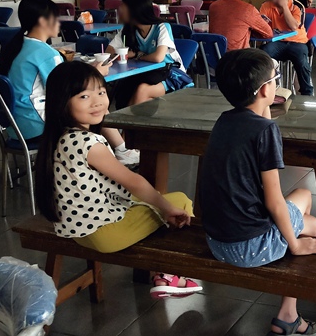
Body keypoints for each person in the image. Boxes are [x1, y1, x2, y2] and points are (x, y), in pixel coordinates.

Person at [199, 48, 316, 336]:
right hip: (245, 248)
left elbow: (256, 121)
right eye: (275, 79)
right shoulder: (265, 131)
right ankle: (288, 316)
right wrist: (295, 245)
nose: (276, 83)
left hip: (216, 241)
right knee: (311, 224)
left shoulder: (224, 120)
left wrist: (264, 104)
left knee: (301, 198)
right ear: (264, 90)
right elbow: (273, 201)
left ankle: (289, 302)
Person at [35, 60, 201, 299]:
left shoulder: (60, 137)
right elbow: (133, 182)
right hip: (104, 234)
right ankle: (169, 274)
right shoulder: (88, 143)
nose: (97, 101)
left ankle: (164, 269)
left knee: (155, 200)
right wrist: (165, 207)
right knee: (179, 202)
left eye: (101, 92)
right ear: (62, 102)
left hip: (76, 229)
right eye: (84, 96)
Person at [0, 0, 139, 166]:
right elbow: (67, 89)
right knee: (96, 105)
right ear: (43, 21)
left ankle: (118, 151)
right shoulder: (46, 53)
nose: (59, 23)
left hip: (15, 125)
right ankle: (117, 153)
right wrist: (96, 73)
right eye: (56, 18)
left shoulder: (17, 46)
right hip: (36, 125)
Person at [107, 0, 192, 108]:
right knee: (125, 93)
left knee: (142, 91)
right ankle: (130, 120)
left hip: (171, 74)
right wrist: (126, 53)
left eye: (123, 6)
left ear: (134, 9)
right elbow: (109, 50)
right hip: (146, 73)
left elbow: (158, 57)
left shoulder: (162, 27)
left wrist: (137, 55)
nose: (119, 9)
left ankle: (127, 120)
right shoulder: (128, 30)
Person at [259, 0, 313, 96]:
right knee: (262, 55)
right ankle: (264, 89)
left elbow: (293, 26)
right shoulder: (266, 6)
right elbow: (260, 25)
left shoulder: (296, 6)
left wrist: (284, 7)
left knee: (301, 61)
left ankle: (307, 92)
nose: (274, 0)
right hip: (277, 42)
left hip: (297, 42)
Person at [209, 0, 273, 50]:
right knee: (265, 57)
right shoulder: (247, 9)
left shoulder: (213, 6)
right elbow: (269, 33)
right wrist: (260, 24)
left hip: (216, 55)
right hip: (238, 56)